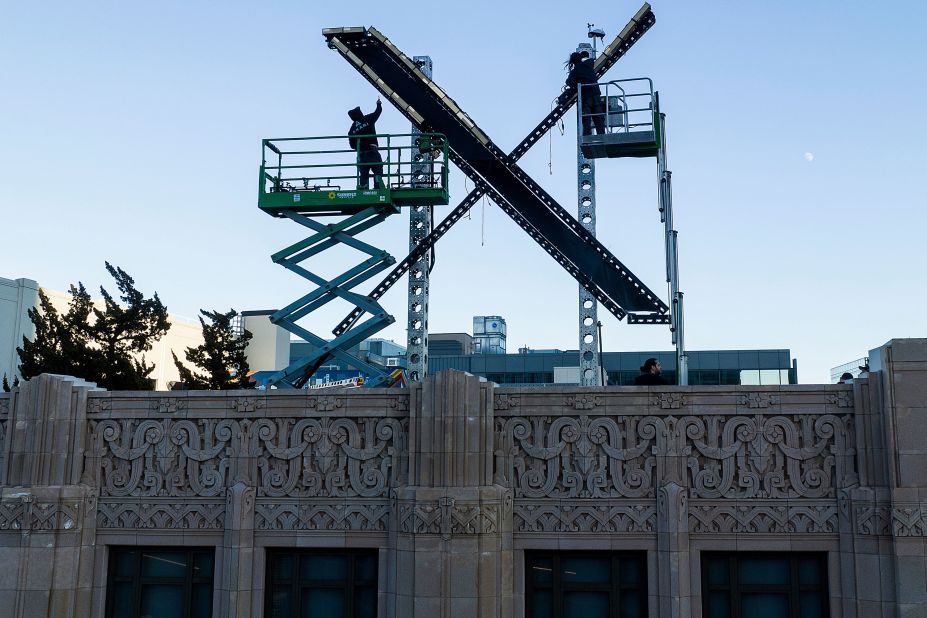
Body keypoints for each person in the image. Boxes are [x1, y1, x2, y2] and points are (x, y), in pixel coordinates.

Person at [565, 50, 605, 136]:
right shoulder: (588, 64)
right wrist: (582, 55)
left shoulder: (574, 72)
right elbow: (591, 59)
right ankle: (602, 136)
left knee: (586, 120)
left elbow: (568, 82)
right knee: (599, 118)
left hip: (586, 97)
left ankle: (587, 138)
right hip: (596, 94)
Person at [348, 99, 384, 189]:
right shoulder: (368, 119)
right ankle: (377, 187)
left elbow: (352, 146)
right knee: (377, 169)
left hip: (361, 155)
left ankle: (363, 188)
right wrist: (378, 103)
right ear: (360, 113)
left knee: (363, 173)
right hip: (372, 151)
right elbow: (378, 111)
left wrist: (361, 146)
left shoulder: (352, 129)